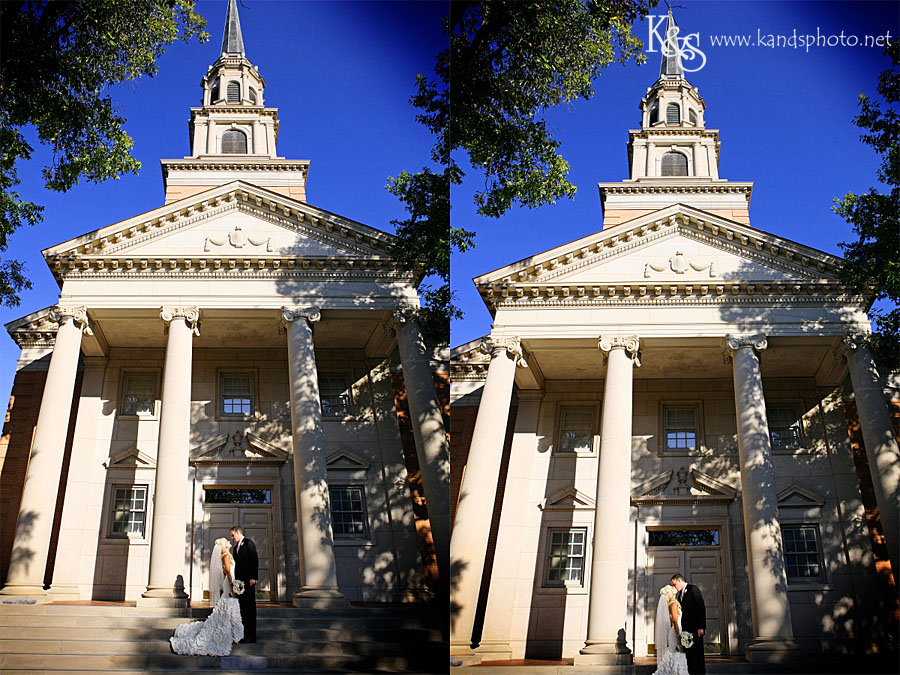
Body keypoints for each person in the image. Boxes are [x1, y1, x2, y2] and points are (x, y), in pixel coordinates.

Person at [170, 537, 244, 655]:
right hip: (229, 584)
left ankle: (235, 633)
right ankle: (235, 633)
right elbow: (229, 572)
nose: (229, 542)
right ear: (223, 545)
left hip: (230, 582)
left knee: (229, 609)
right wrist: (232, 586)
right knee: (228, 607)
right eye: (227, 541)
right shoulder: (225, 556)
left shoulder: (228, 555)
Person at [671, 573, 706, 674]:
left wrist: (701, 627)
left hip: (695, 629)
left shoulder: (693, 589)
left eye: (674, 584)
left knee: (697, 655)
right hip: (685, 630)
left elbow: (700, 607)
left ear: (679, 581)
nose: (674, 587)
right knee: (689, 655)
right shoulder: (679, 595)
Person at [230, 525, 259, 643]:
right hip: (239, 583)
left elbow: (254, 560)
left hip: (248, 582)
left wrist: (253, 577)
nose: (232, 537)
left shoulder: (249, 543)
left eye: (233, 535)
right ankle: (243, 633)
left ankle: (251, 636)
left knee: (249, 608)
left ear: (238, 532)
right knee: (242, 608)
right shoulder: (235, 547)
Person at [652, 584, 689, 675]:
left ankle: (676, 670)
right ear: (669, 593)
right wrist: (678, 635)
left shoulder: (673, 603)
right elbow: (675, 621)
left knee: (675, 652)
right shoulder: (673, 604)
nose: (674, 587)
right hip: (675, 631)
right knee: (674, 651)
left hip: (677, 629)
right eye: (672, 587)